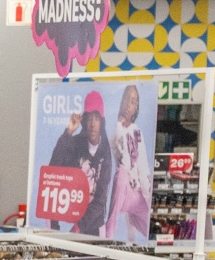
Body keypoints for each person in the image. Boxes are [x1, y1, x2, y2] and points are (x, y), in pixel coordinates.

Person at [46, 90, 115, 236]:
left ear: (102, 122)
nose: (92, 124)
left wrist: (78, 228)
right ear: (84, 121)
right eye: (89, 118)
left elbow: (100, 201)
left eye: (96, 118)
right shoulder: (76, 144)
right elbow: (53, 169)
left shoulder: (105, 152)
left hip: (92, 223)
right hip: (71, 211)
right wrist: (68, 132)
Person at [105, 83, 152, 242]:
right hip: (123, 193)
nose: (128, 105)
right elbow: (123, 160)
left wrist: (147, 195)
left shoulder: (137, 132)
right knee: (121, 174)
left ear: (136, 107)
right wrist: (119, 125)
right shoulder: (114, 135)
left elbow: (143, 166)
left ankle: (135, 226)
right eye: (126, 99)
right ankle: (109, 231)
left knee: (150, 230)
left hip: (138, 195)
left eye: (133, 102)